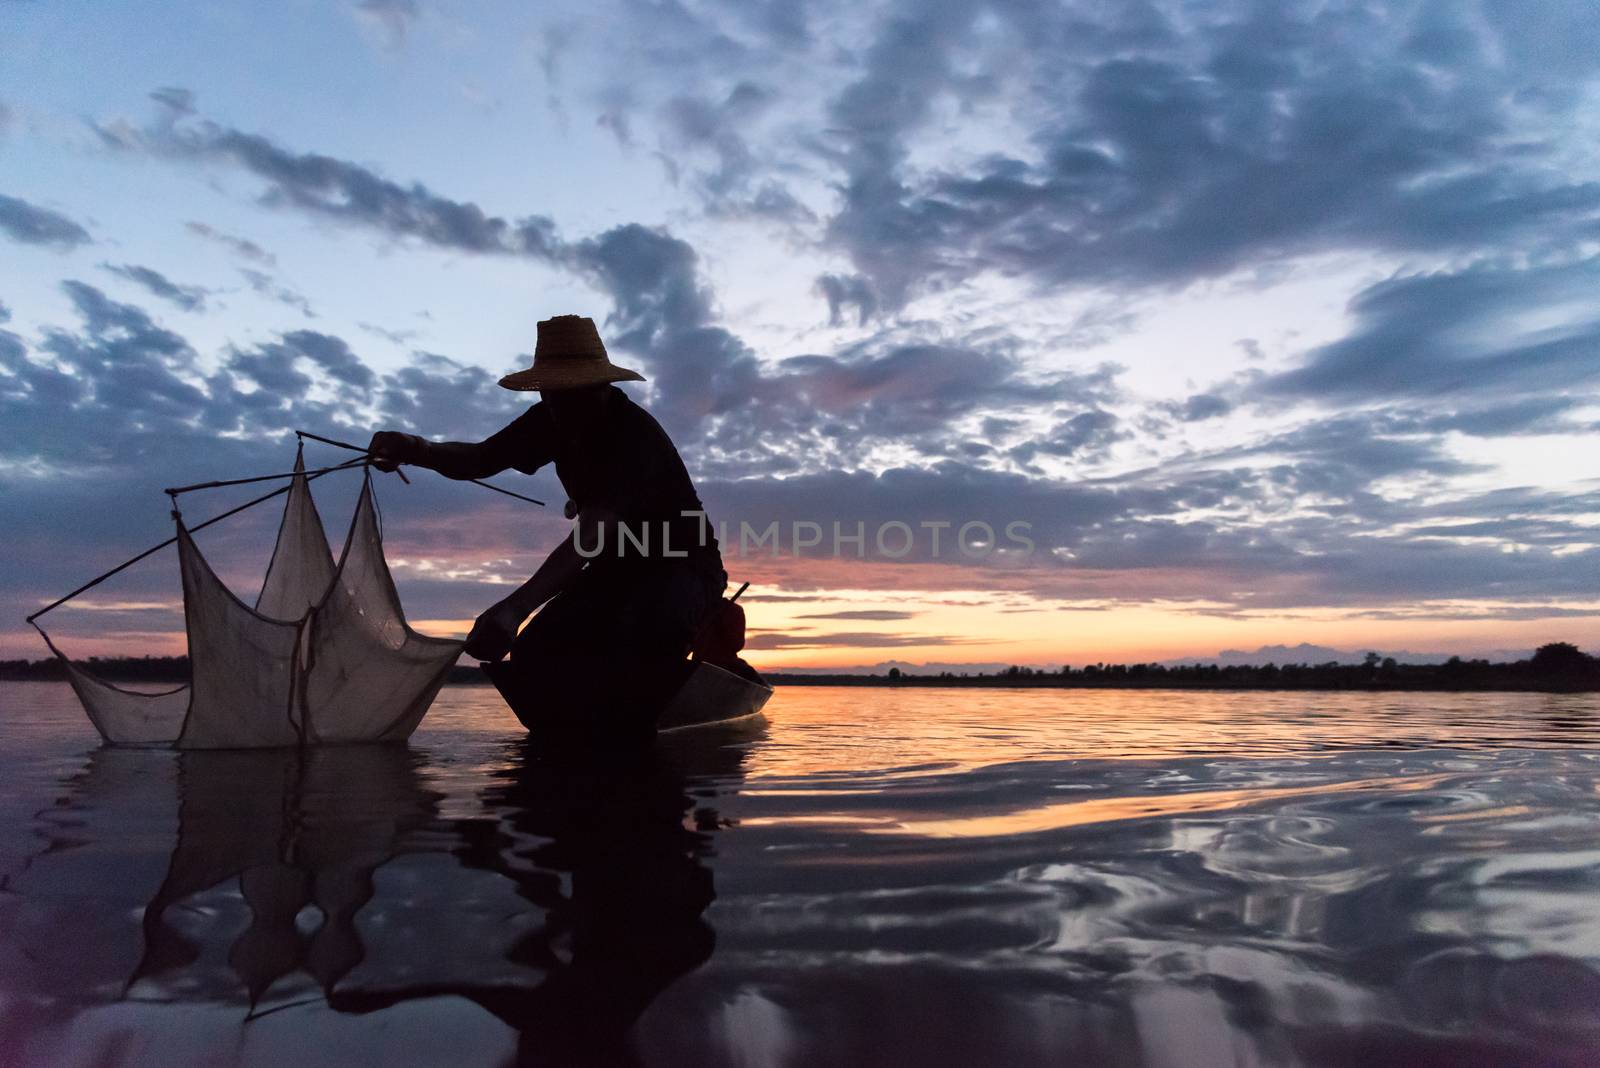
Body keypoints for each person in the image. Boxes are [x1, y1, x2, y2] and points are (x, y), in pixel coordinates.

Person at [368, 315, 726, 730]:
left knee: (648, 626)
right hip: (614, 571)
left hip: (682, 565)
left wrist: (514, 607)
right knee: (536, 653)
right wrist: (416, 448)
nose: (561, 405)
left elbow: (590, 535)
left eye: (572, 393)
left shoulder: (633, 435)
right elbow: (481, 459)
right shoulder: (550, 417)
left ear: (601, 387)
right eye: (552, 394)